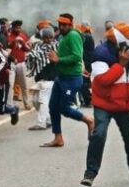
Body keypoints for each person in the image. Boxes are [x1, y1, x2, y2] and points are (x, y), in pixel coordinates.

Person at [81, 22, 129, 187]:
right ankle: (90, 173)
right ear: (116, 41)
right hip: (104, 103)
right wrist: (121, 64)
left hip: (124, 105)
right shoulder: (100, 54)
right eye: (125, 41)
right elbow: (103, 81)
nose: (128, 45)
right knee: (99, 134)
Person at [41, 13, 95, 148]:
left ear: (71, 24)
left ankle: (89, 121)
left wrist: (58, 59)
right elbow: (66, 54)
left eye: (65, 24)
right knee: (53, 107)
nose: (62, 27)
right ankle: (58, 138)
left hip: (72, 78)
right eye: (60, 24)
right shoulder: (63, 36)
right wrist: (55, 57)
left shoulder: (73, 36)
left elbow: (77, 56)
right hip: (61, 77)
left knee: (64, 109)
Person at [26, 26, 58, 130]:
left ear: (53, 37)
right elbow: (31, 57)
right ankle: (49, 120)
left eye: (50, 37)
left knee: (43, 101)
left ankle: (41, 123)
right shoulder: (37, 46)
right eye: (46, 37)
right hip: (39, 79)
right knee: (35, 101)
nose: (48, 40)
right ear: (42, 38)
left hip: (50, 78)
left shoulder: (57, 47)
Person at [7, 19, 32, 111]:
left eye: (19, 27)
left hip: (22, 63)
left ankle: (26, 103)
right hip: (11, 64)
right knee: (10, 84)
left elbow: (28, 49)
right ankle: (9, 105)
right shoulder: (8, 36)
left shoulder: (23, 36)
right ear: (13, 28)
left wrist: (23, 43)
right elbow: (6, 50)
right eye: (16, 27)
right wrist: (14, 42)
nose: (18, 29)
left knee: (24, 85)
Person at [79, 21, 95, 108]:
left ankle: (88, 100)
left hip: (86, 62)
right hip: (89, 61)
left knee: (84, 82)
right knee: (87, 81)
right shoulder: (89, 35)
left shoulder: (86, 36)